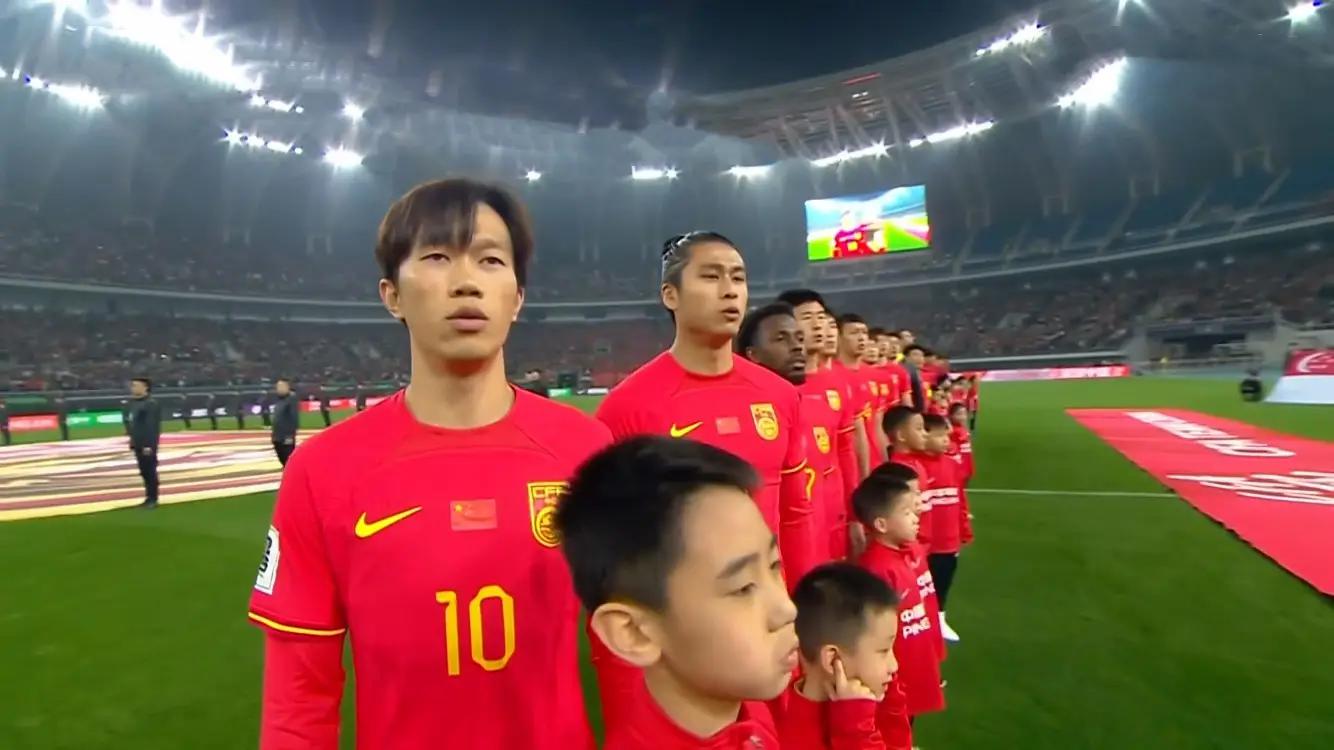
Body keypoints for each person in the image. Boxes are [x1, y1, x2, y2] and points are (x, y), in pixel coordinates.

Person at [248, 178, 609, 750]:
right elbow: (299, 697)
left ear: (517, 297)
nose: (466, 281)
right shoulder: (322, 470)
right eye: (438, 257)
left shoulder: (586, 449)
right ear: (392, 295)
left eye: (490, 260)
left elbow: (635, 655)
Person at [594, 231, 814, 724]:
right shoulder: (628, 409)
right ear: (670, 295)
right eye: (711, 277)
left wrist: (803, 607)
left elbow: (796, 515)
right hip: (686, 637)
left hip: (771, 619)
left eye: (738, 278)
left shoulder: (780, 397)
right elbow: (615, 560)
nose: (730, 290)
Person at [556, 436, 797, 750]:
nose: (787, 609)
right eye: (743, 588)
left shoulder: (748, 712)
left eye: (775, 565)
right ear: (633, 633)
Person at [737, 302, 832, 567]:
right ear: (753, 354)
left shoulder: (808, 405)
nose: (797, 347)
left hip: (816, 546)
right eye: (781, 339)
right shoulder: (744, 416)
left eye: (799, 338)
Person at [780, 562, 910, 750]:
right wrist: (855, 730)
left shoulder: (875, 700)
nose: (894, 666)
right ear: (833, 660)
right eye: (883, 650)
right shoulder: (780, 733)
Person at [853, 469, 946, 729]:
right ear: (881, 524)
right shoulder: (878, 568)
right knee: (891, 724)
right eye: (906, 513)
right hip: (895, 674)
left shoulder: (902, 556)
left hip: (913, 665)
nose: (916, 516)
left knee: (906, 721)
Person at [778, 289, 866, 560]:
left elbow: (845, 452)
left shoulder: (838, 384)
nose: (817, 325)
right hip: (793, 517)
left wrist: (854, 515)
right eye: (807, 317)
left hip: (833, 509)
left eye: (821, 316)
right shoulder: (775, 386)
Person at [922, 414, 971, 643]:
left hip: (948, 540)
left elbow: (961, 498)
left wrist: (964, 528)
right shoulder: (915, 467)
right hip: (925, 543)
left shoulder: (952, 464)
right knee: (923, 584)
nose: (946, 441)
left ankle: (940, 618)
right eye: (940, 436)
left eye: (947, 436)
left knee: (944, 579)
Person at [882, 406, 934, 548]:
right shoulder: (897, 473)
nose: (925, 434)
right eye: (919, 429)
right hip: (913, 547)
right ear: (901, 436)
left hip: (923, 545)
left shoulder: (917, 464)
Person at [835, 314, 884, 465]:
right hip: (847, 463)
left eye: (864, 333)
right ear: (838, 337)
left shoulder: (876, 376)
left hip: (874, 461)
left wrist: (884, 460)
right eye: (854, 333)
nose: (861, 338)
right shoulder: (833, 376)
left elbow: (878, 425)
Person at [124, 377, 162, 508]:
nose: (133, 388)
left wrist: (149, 445)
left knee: (149, 470)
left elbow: (151, 427)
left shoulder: (151, 404)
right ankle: (148, 497)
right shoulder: (131, 403)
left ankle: (153, 498)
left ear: (145, 387)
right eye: (133, 385)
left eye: (136, 385)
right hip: (138, 442)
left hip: (147, 444)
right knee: (144, 471)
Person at [269, 379, 300, 467]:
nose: (279, 388)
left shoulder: (291, 399)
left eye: (282, 386)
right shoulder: (279, 400)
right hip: (277, 436)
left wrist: (290, 435)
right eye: (278, 386)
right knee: (283, 460)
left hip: (286, 437)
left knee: (289, 460)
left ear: (287, 387)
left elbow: (294, 418)